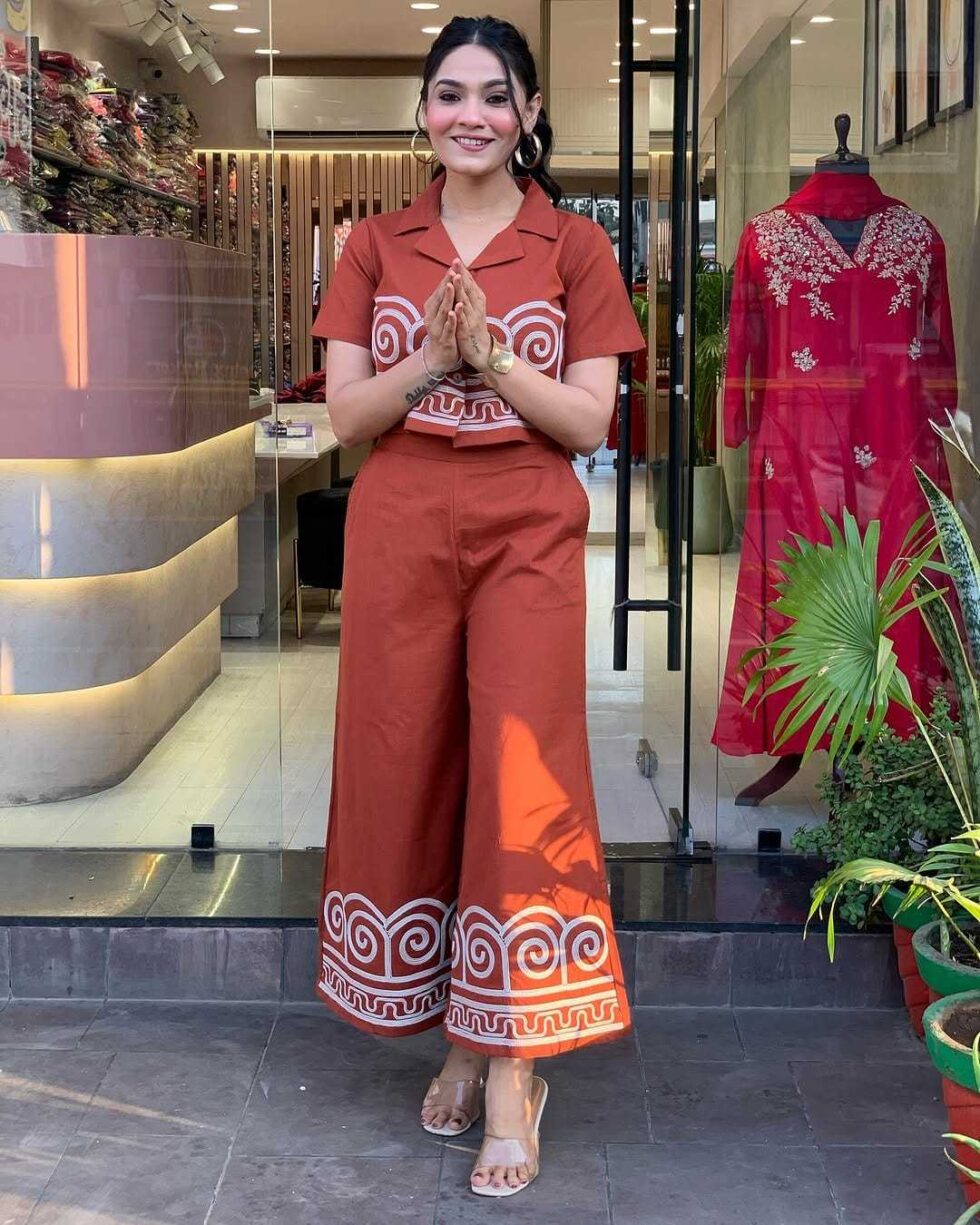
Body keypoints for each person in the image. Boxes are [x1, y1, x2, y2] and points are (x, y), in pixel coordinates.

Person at [310, 14, 645, 1199]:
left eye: (494, 96)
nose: (470, 115)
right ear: (422, 113)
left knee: (519, 778)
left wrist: (495, 358)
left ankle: (511, 1073)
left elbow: (589, 422)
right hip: (399, 526)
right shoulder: (372, 243)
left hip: (525, 532)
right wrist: (428, 360)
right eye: (448, 94)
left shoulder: (575, 246)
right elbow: (347, 417)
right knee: (411, 763)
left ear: (529, 114)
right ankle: (457, 1034)